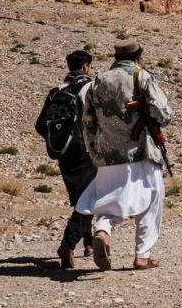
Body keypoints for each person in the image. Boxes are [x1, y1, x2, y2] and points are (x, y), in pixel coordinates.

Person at [77, 41, 173, 271]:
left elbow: (87, 121)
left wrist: (94, 152)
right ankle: (142, 256)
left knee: (111, 202)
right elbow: (164, 114)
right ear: (139, 56)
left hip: (107, 154)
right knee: (150, 201)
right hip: (141, 152)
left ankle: (103, 231)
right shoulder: (142, 77)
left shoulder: (97, 81)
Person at [34, 49, 97, 269]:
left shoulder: (56, 91)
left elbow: (40, 125)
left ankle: (89, 244)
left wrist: (62, 141)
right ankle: (67, 245)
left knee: (81, 198)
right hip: (85, 153)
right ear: (87, 66)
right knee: (90, 198)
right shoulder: (90, 87)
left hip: (64, 154)